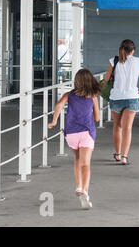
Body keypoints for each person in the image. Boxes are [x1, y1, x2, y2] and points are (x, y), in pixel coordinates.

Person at [48, 69, 100, 209]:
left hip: (71, 133)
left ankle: (78, 186)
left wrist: (53, 121)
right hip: (87, 132)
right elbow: (97, 118)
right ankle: (85, 191)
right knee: (86, 164)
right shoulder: (93, 96)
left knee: (77, 160)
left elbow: (59, 105)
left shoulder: (69, 95)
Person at [104, 39, 139, 165]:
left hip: (116, 97)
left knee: (117, 127)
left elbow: (107, 78)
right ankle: (124, 157)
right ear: (133, 50)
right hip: (132, 97)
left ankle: (117, 154)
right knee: (127, 128)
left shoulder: (114, 60)